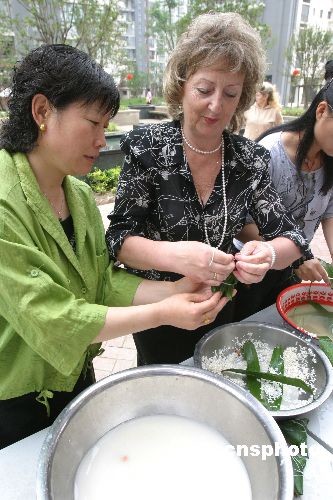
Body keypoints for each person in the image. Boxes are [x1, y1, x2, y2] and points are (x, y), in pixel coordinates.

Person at [0, 44, 231, 449]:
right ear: (41, 112)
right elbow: (51, 318)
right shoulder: (5, 203)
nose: (100, 139)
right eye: (92, 123)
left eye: (105, 125)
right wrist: (162, 312)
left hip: (74, 372)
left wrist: (175, 290)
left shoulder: (79, 195)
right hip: (15, 394)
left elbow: (102, 282)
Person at [106, 12, 313, 366]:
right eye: (204, 90)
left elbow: (292, 238)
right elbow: (119, 240)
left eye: (230, 93)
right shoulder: (148, 149)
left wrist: (267, 256)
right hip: (161, 310)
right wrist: (175, 256)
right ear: (182, 84)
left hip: (220, 306)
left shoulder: (249, 160)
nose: (216, 105)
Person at [233, 81, 333, 320]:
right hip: (253, 269)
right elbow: (240, 225)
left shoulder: (330, 161)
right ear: (321, 111)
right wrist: (296, 257)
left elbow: (329, 215)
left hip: (295, 268)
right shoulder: (269, 153)